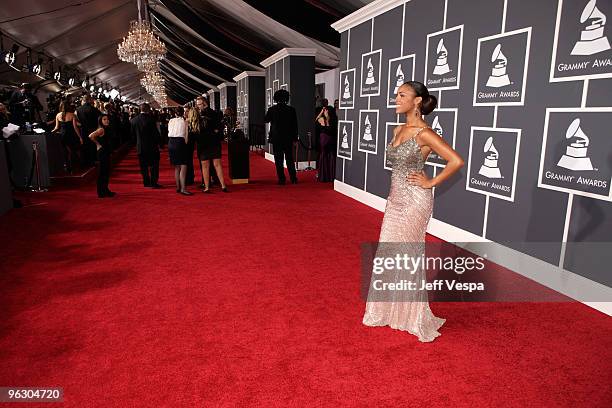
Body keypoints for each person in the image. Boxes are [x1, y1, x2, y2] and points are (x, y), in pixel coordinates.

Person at [362, 81, 464, 343]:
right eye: (397, 94)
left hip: (415, 202)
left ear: (417, 101)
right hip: (394, 200)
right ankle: (389, 311)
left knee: (408, 254)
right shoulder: (397, 129)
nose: (396, 98)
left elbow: (456, 160)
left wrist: (430, 183)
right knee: (388, 252)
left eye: (402, 95)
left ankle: (412, 316)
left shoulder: (424, 134)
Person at [265, 89, 298, 185]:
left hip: (276, 138)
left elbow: (266, 120)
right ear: (286, 98)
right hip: (288, 138)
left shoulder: (272, 109)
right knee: (289, 159)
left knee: (278, 160)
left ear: (276, 98)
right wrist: (295, 138)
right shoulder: (291, 110)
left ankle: (281, 179)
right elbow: (295, 125)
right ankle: (293, 178)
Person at [194, 96, 227, 193]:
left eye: (200, 104)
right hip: (213, 142)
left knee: (206, 166)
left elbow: (199, 130)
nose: (198, 106)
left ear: (205, 103)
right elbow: (219, 127)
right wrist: (215, 131)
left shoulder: (200, 115)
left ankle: (207, 187)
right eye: (198, 104)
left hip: (204, 143)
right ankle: (223, 186)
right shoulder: (215, 113)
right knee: (217, 165)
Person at [131, 103, 161, 188]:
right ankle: (154, 183)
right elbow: (155, 134)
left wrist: (136, 144)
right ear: (148, 109)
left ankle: (146, 182)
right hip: (152, 147)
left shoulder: (133, 120)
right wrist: (159, 143)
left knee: (143, 166)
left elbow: (132, 135)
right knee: (154, 166)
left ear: (140, 109)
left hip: (140, 147)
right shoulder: (151, 119)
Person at [88, 114, 115, 198]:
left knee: (106, 172)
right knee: (102, 172)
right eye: (104, 119)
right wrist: (98, 144)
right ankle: (101, 192)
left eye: (107, 119)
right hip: (102, 152)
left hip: (106, 151)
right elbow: (90, 136)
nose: (107, 120)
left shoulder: (106, 129)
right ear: (100, 121)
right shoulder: (101, 129)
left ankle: (105, 190)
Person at [51, 101, 82, 174]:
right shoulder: (72, 115)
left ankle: (68, 168)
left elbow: (56, 127)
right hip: (71, 135)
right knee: (72, 151)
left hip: (62, 135)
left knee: (65, 152)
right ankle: (73, 168)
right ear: (69, 106)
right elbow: (75, 127)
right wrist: (80, 137)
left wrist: (51, 132)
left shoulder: (58, 115)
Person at [168, 107, 191, 195]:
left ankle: (178, 187)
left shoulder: (170, 121)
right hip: (180, 142)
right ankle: (183, 189)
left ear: (175, 113)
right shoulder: (184, 122)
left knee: (177, 166)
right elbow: (186, 137)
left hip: (171, 142)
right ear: (183, 113)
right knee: (184, 166)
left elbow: (169, 131)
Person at [76, 95, 100, 167]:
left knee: (85, 145)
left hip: (83, 130)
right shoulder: (94, 109)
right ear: (89, 100)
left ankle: (85, 162)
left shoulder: (78, 109)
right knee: (93, 145)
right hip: (93, 129)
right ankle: (93, 161)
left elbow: (77, 121)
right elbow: (99, 119)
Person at [314, 105, 335, 182]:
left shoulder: (332, 120)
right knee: (324, 155)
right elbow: (316, 120)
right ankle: (324, 176)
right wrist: (321, 113)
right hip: (324, 141)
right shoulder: (322, 119)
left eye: (326, 110)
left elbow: (330, 130)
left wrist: (327, 118)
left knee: (330, 156)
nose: (325, 111)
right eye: (324, 111)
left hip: (329, 140)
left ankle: (330, 176)